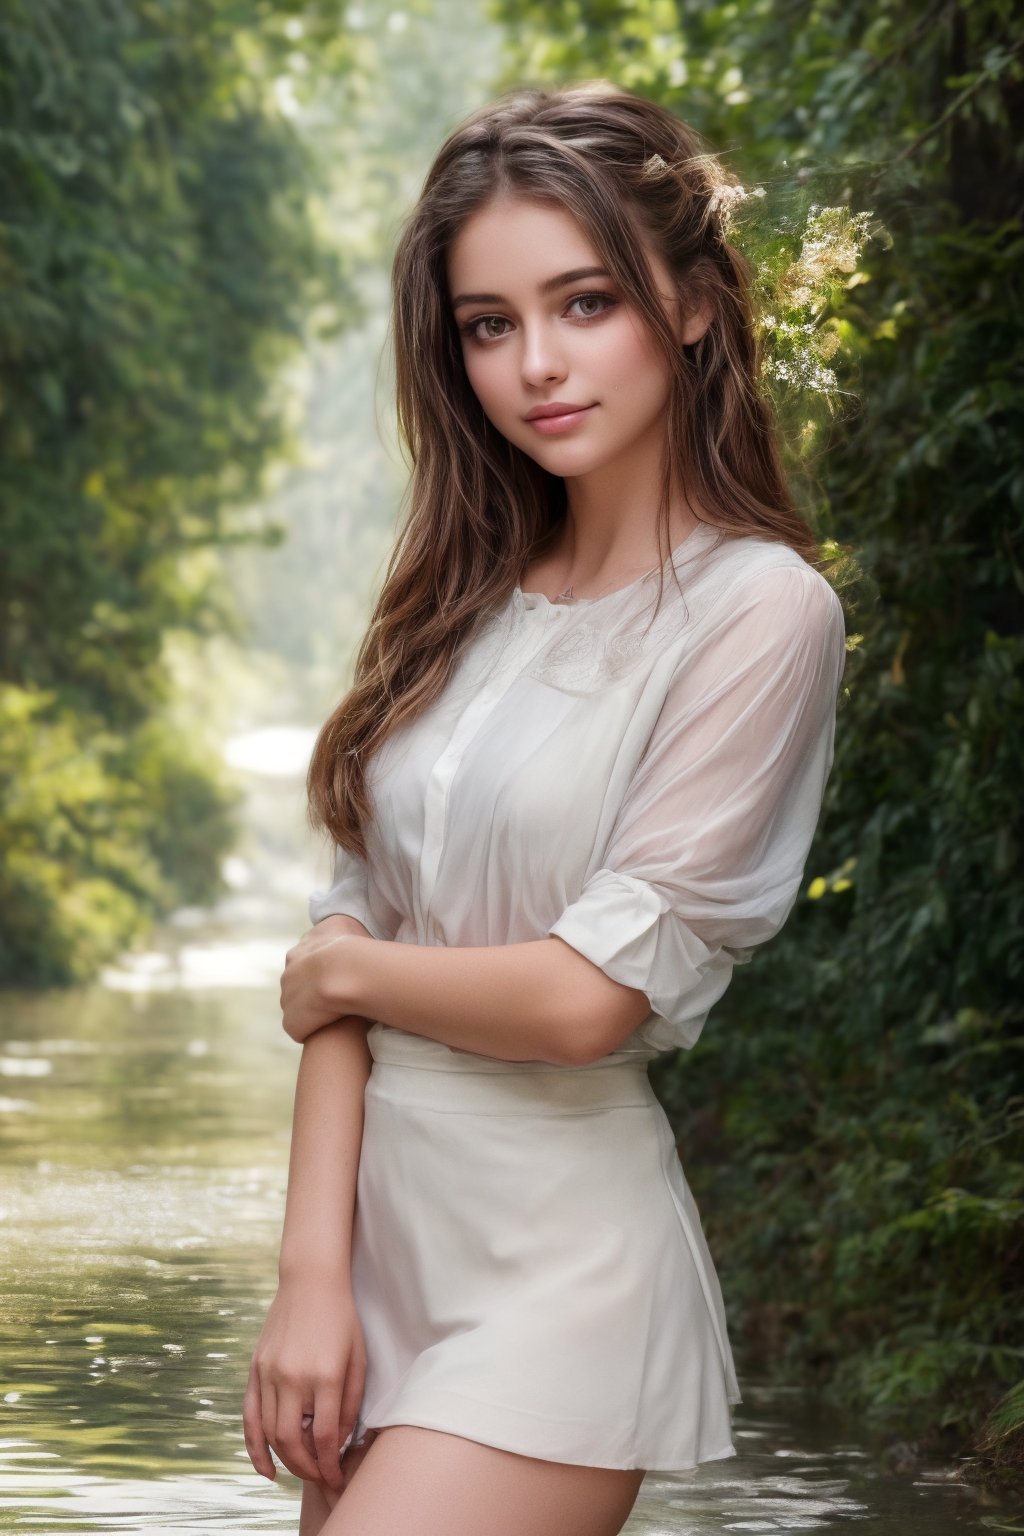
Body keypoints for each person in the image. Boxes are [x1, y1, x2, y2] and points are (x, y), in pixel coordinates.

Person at [242, 81, 847, 1536]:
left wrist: (347, 972)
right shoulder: (452, 614)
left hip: (560, 1264)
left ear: (692, 305)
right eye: (489, 324)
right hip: (381, 1261)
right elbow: (340, 983)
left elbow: (588, 1001)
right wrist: (310, 1281)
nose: (536, 366)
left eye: (584, 303)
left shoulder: (762, 612)